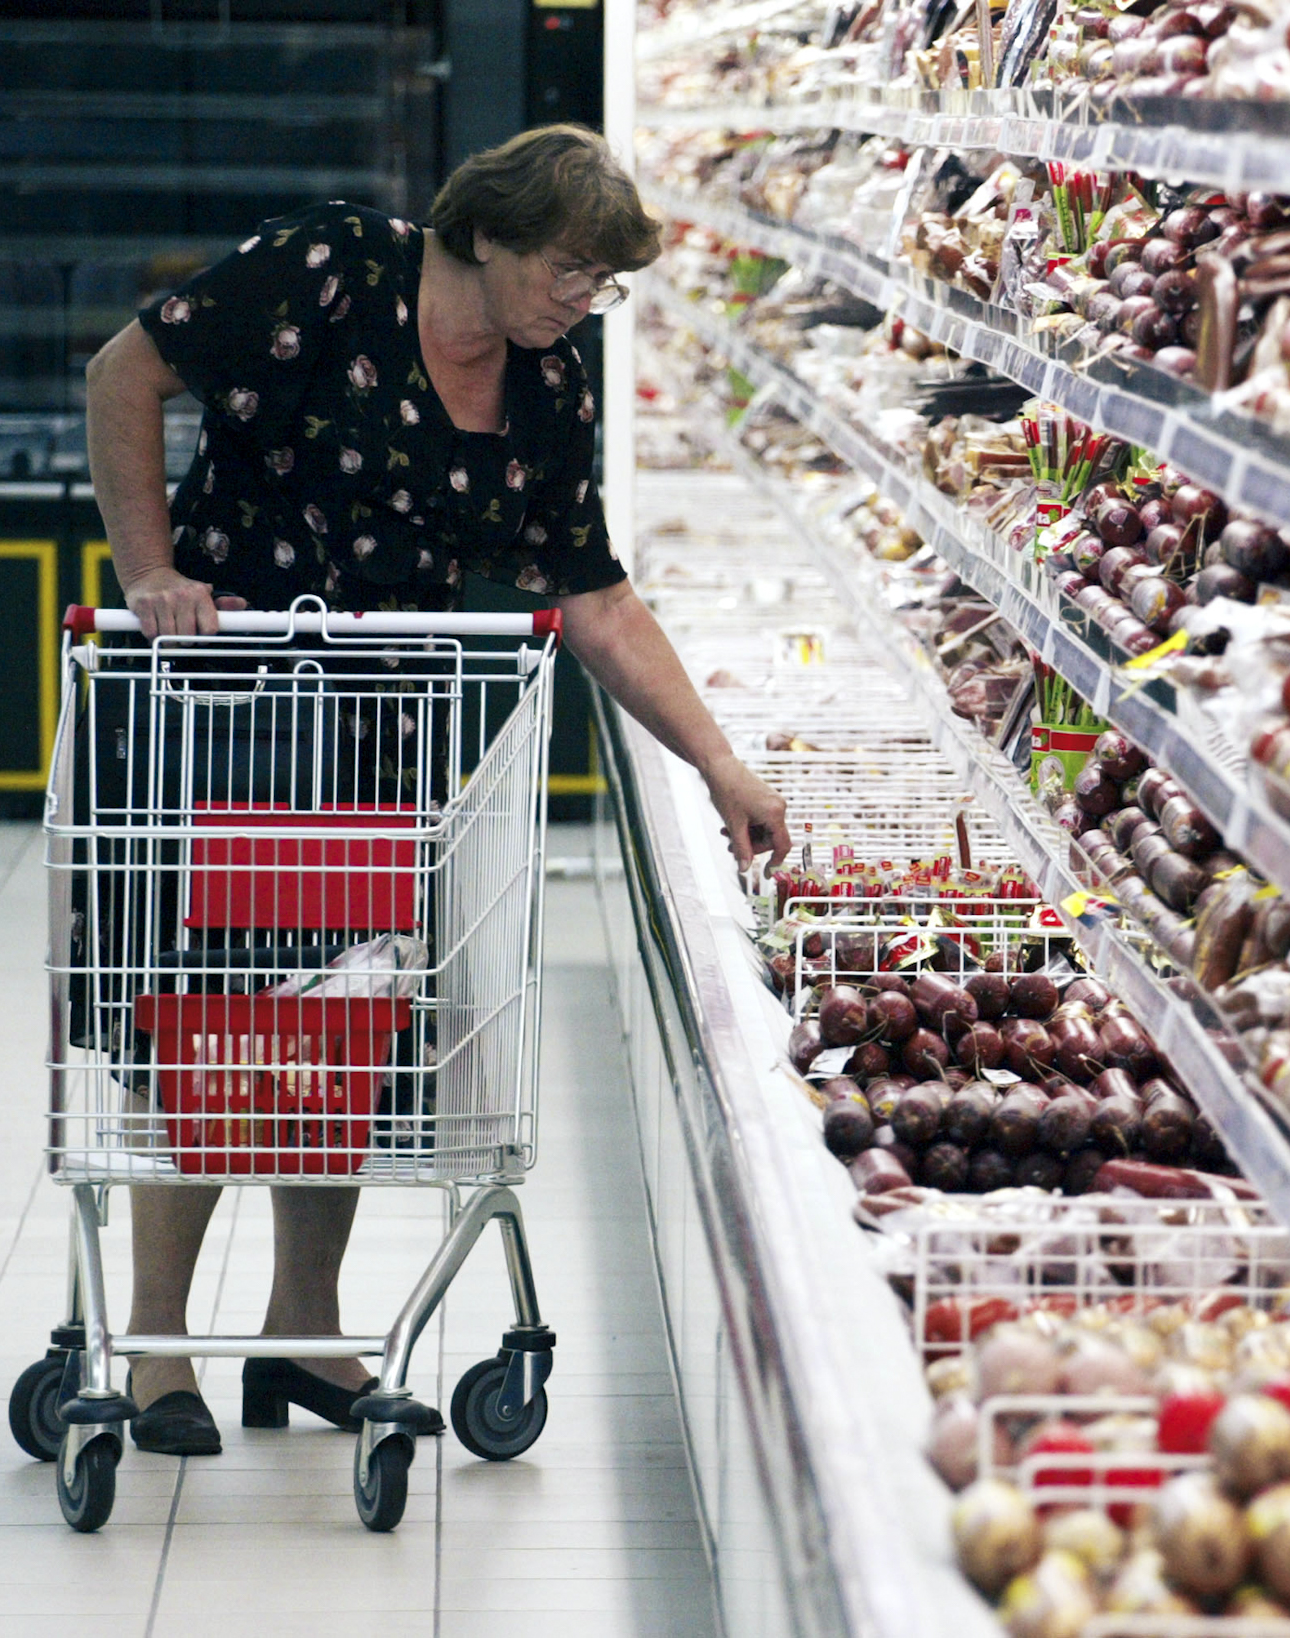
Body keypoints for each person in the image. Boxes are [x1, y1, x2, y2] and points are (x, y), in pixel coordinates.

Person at [84, 123, 789, 1456]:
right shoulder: (332, 270)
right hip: (225, 712)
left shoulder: (547, 384)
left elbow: (594, 596)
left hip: (379, 732)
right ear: (490, 234)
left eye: (604, 282)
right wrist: (147, 570)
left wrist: (719, 760)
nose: (586, 300)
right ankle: (160, 1343)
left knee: (339, 1016)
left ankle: (304, 1326)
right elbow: (127, 369)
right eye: (575, 270)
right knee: (214, 1016)